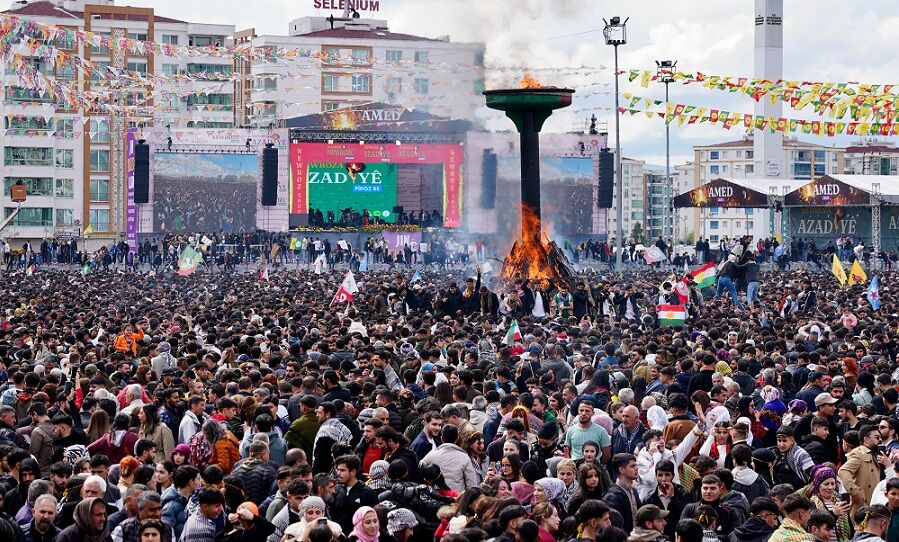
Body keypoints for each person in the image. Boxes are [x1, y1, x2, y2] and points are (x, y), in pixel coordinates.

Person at [603, 453, 641, 532]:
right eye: (632, 466)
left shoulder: (633, 490)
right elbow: (613, 527)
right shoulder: (613, 496)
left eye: (636, 465)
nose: (637, 468)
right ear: (621, 470)